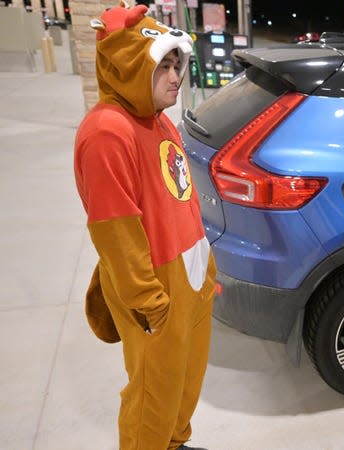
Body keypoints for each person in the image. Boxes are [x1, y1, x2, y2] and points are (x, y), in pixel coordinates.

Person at [73, 4, 214, 450]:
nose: (176, 77)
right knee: (153, 394)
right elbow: (115, 230)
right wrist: (149, 301)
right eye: (164, 66)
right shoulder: (107, 132)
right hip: (156, 286)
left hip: (190, 278)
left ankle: (175, 443)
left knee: (185, 385)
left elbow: (179, 199)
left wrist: (204, 272)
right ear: (133, 64)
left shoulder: (159, 120)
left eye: (178, 65)